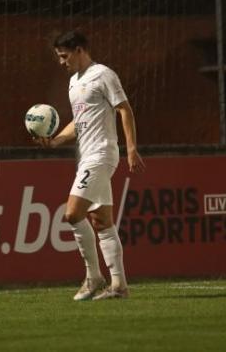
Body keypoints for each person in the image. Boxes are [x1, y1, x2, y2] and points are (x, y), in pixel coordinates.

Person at [35, 30, 145, 300]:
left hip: (101, 154)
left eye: (64, 56)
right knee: (101, 220)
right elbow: (80, 122)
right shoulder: (74, 82)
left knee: (72, 214)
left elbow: (124, 109)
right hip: (86, 157)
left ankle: (93, 276)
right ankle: (118, 285)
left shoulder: (103, 75)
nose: (62, 62)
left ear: (79, 50)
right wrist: (56, 140)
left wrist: (131, 148)